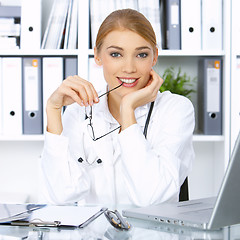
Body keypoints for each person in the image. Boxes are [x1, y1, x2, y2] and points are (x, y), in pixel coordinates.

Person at [40, 9, 195, 207]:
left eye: (141, 54)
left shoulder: (176, 110)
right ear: (97, 56)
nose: (129, 68)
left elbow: (149, 196)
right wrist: (53, 109)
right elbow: (60, 196)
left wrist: (128, 109)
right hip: (93, 235)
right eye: (116, 54)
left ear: (154, 57)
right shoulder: (80, 110)